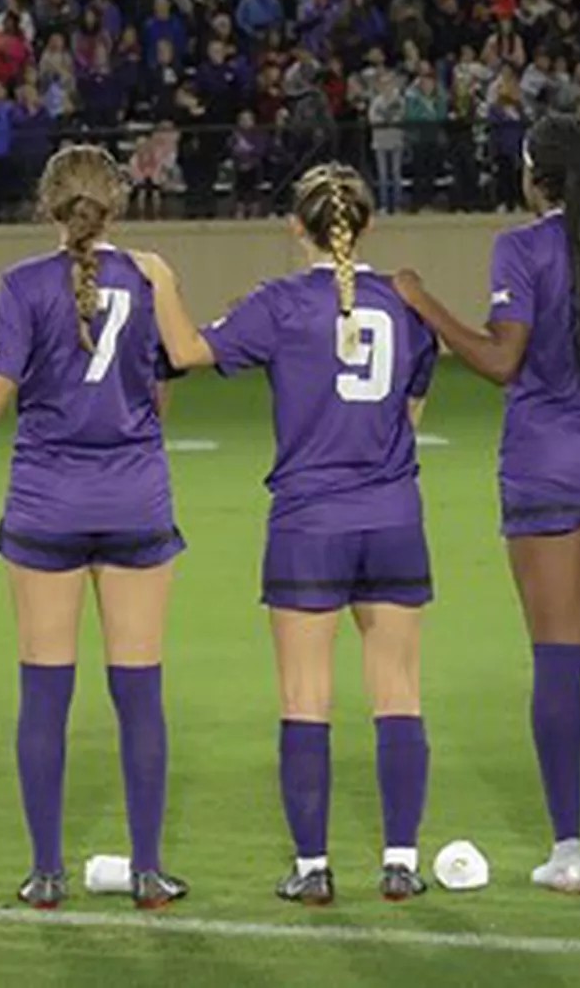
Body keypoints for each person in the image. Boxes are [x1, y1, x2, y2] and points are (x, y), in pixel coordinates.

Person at [142, 163, 438, 904]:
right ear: (367, 224)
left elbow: (187, 353)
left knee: (305, 695)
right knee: (399, 691)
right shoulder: (406, 307)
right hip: (393, 516)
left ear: (294, 227)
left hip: (309, 521)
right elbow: (409, 418)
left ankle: (311, 869)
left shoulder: (279, 304)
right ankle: (401, 861)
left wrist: (159, 278)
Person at [0, 147, 188, 910]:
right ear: (117, 204)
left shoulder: (23, 284)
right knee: (140, 694)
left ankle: (46, 873)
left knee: (44, 695)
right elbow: (160, 394)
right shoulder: (149, 277)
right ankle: (148, 870)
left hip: (47, 503)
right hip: (134, 498)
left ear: (47, 205)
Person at [391, 116, 580, 893]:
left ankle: (568, 850)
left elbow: (503, 358)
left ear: (536, 173)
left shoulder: (522, 246)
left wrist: (424, 303)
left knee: (558, 657)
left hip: (547, 466)